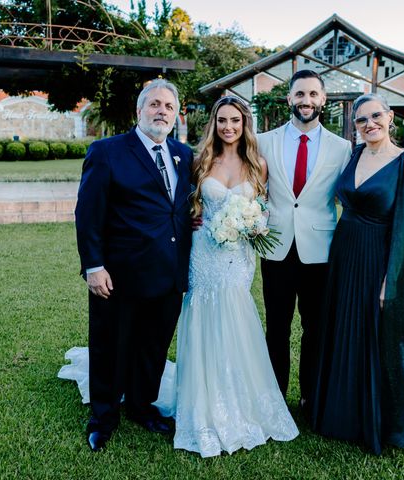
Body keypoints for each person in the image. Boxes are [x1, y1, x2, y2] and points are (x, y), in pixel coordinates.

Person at [159, 95, 298, 457]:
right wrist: (190, 216)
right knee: (204, 316)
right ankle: (203, 404)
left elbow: (264, 208)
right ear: (214, 123)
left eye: (235, 120)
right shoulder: (200, 159)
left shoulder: (258, 165)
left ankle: (240, 401)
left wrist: (255, 225)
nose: (229, 127)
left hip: (238, 258)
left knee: (236, 318)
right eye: (222, 120)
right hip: (204, 253)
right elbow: (185, 201)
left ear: (244, 123)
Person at [309, 93, 404, 454]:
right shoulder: (355, 155)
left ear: (390, 117)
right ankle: (337, 412)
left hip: (376, 259)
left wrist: (389, 280)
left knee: (371, 336)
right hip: (343, 256)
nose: (369, 124)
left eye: (375, 116)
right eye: (361, 120)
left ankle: (371, 416)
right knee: (341, 329)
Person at [74, 79, 194, 452]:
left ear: (175, 116)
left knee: (152, 347)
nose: (162, 111)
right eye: (155, 104)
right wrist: (94, 265)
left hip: (169, 272)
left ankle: (143, 406)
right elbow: (87, 214)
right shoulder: (107, 151)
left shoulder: (183, 154)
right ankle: (103, 418)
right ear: (139, 111)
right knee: (111, 346)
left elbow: (179, 206)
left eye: (169, 107)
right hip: (119, 275)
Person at [256, 70, 352, 407]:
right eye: (300, 94)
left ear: (323, 99)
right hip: (276, 247)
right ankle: (275, 398)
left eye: (313, 94)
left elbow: (352, 196)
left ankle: (312, 397)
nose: (306, 101)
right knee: (277, 329)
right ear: (289, 99)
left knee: (316, 329)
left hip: (320, 253)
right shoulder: (263, 140)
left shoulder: (343, 148)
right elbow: (253, 189)